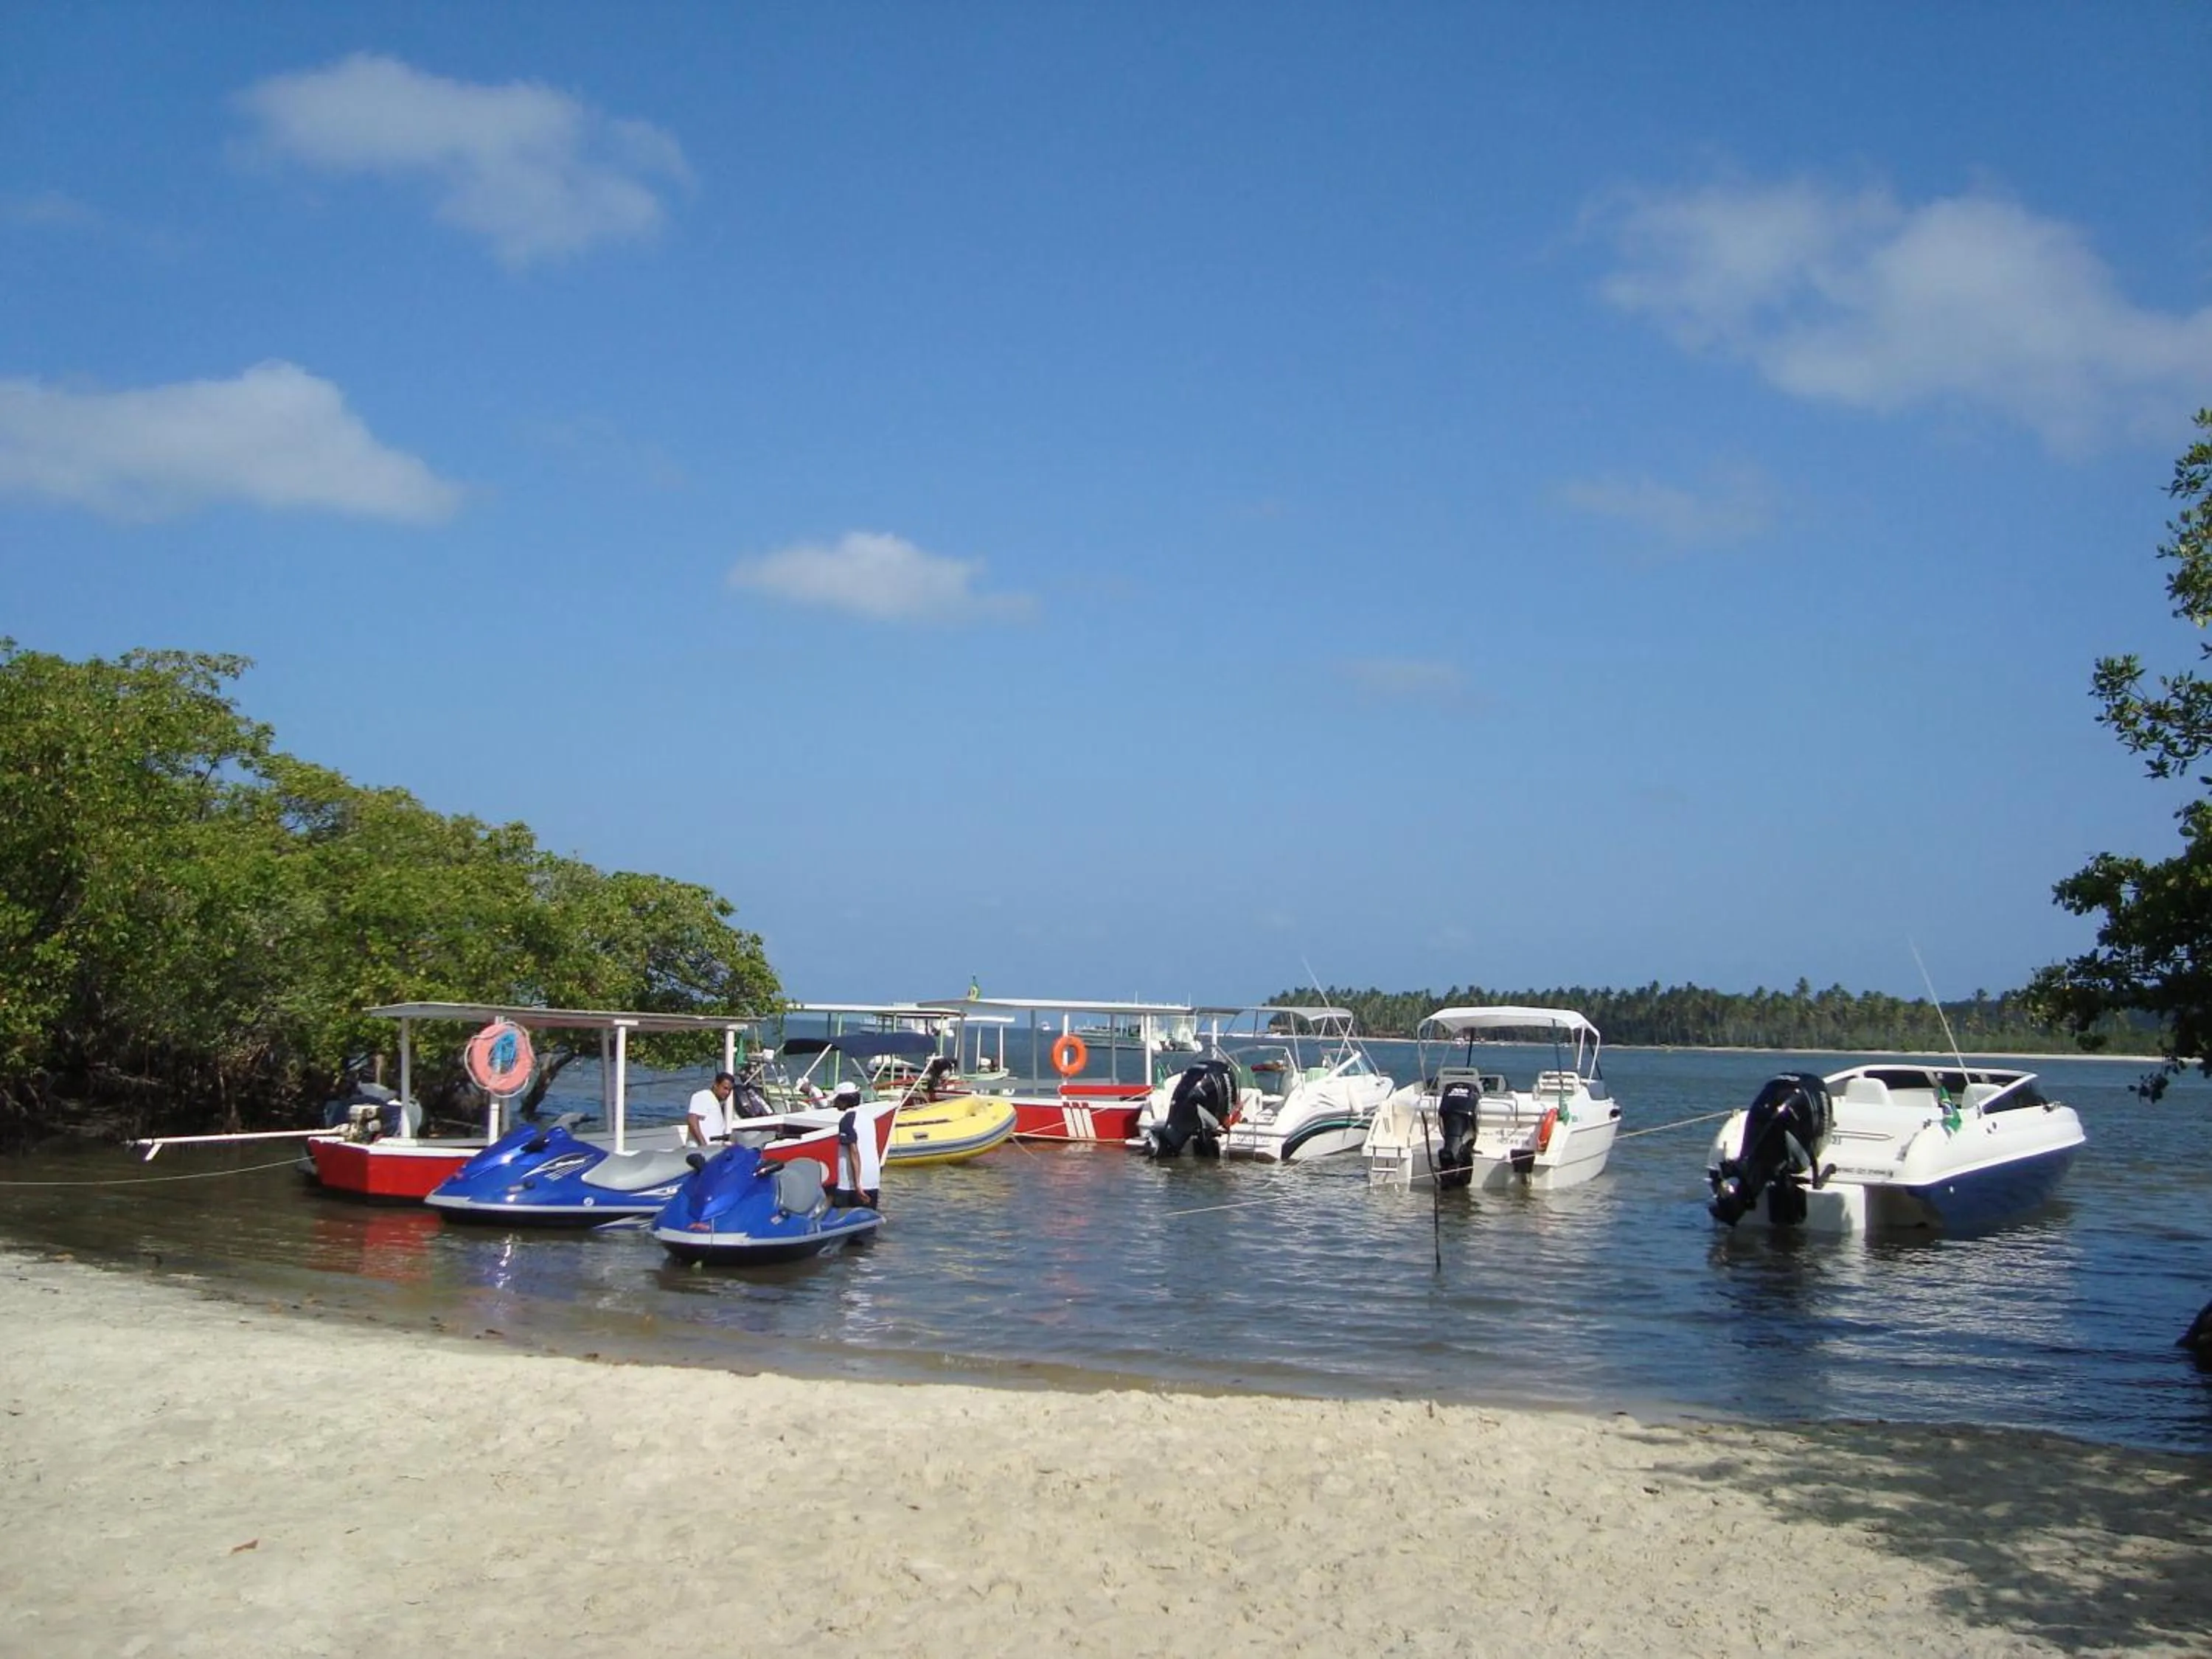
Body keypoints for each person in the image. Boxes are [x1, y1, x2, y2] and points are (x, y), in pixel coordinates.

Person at [686, 1071, 737, 1147]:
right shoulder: (704, 1096)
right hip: (700, 1150)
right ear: (716, 1085)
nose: (727, 1092)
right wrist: (703, 1145)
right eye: (725, 1088)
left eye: (730, 1090)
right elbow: (692, 1119)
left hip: (713, 1150)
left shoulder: (715, 1102)